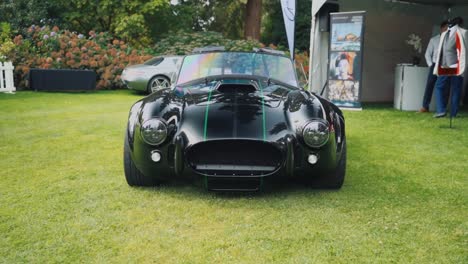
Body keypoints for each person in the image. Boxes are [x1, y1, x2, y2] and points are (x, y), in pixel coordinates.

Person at [433, 17, 468, 118]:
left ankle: (443, 111)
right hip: (449, 66)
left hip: (453, 66)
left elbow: (464, 51)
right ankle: (449, 112)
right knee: (452, 89)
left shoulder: (462, 33)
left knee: (444, 87)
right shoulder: (447, 33)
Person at [419, 21, 449, 113]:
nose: (447, 30)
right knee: (430, 85)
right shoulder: (434, 40)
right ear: (441, 28)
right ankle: (425, 107)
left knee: (445, 87)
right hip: (435, 65)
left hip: (445, 66)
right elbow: (427, 53)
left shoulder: (450, 40)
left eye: (449, 29)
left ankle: (443, 108)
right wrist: (431, 65)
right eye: (446, 28)